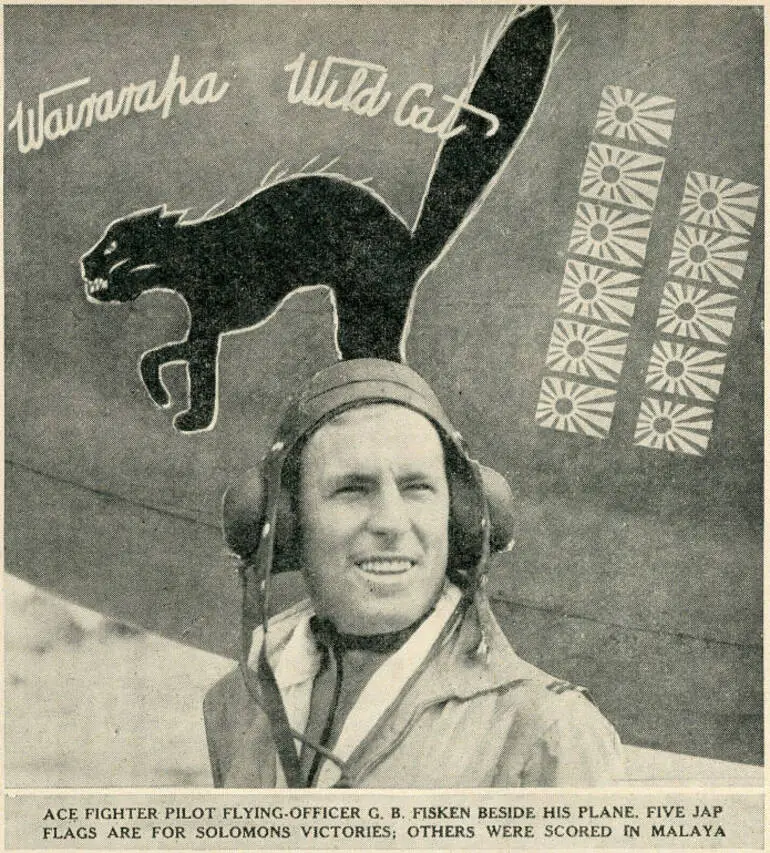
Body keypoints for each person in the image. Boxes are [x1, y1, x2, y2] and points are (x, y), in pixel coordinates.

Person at [204, 359, 623, 787]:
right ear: (288, 522)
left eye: (417, 488)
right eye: (352, 489)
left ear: (460, 517)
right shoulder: (237, 703)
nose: (391, 522)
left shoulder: (548, 730)